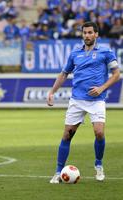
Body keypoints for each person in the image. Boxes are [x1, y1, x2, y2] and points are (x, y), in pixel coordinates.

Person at [47, 21, 120, 184]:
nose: (87, 35)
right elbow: (64, 74)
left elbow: (116, 74)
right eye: (84, 33)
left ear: (96, 35)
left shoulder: (106, 52)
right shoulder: (74, 54)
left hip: (96, 100)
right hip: (77, 100)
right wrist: (52, 92)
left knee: (99, 133)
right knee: (67, 136)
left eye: (90, 32)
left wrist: (102, 88)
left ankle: (98, 165)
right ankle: (58, 172)